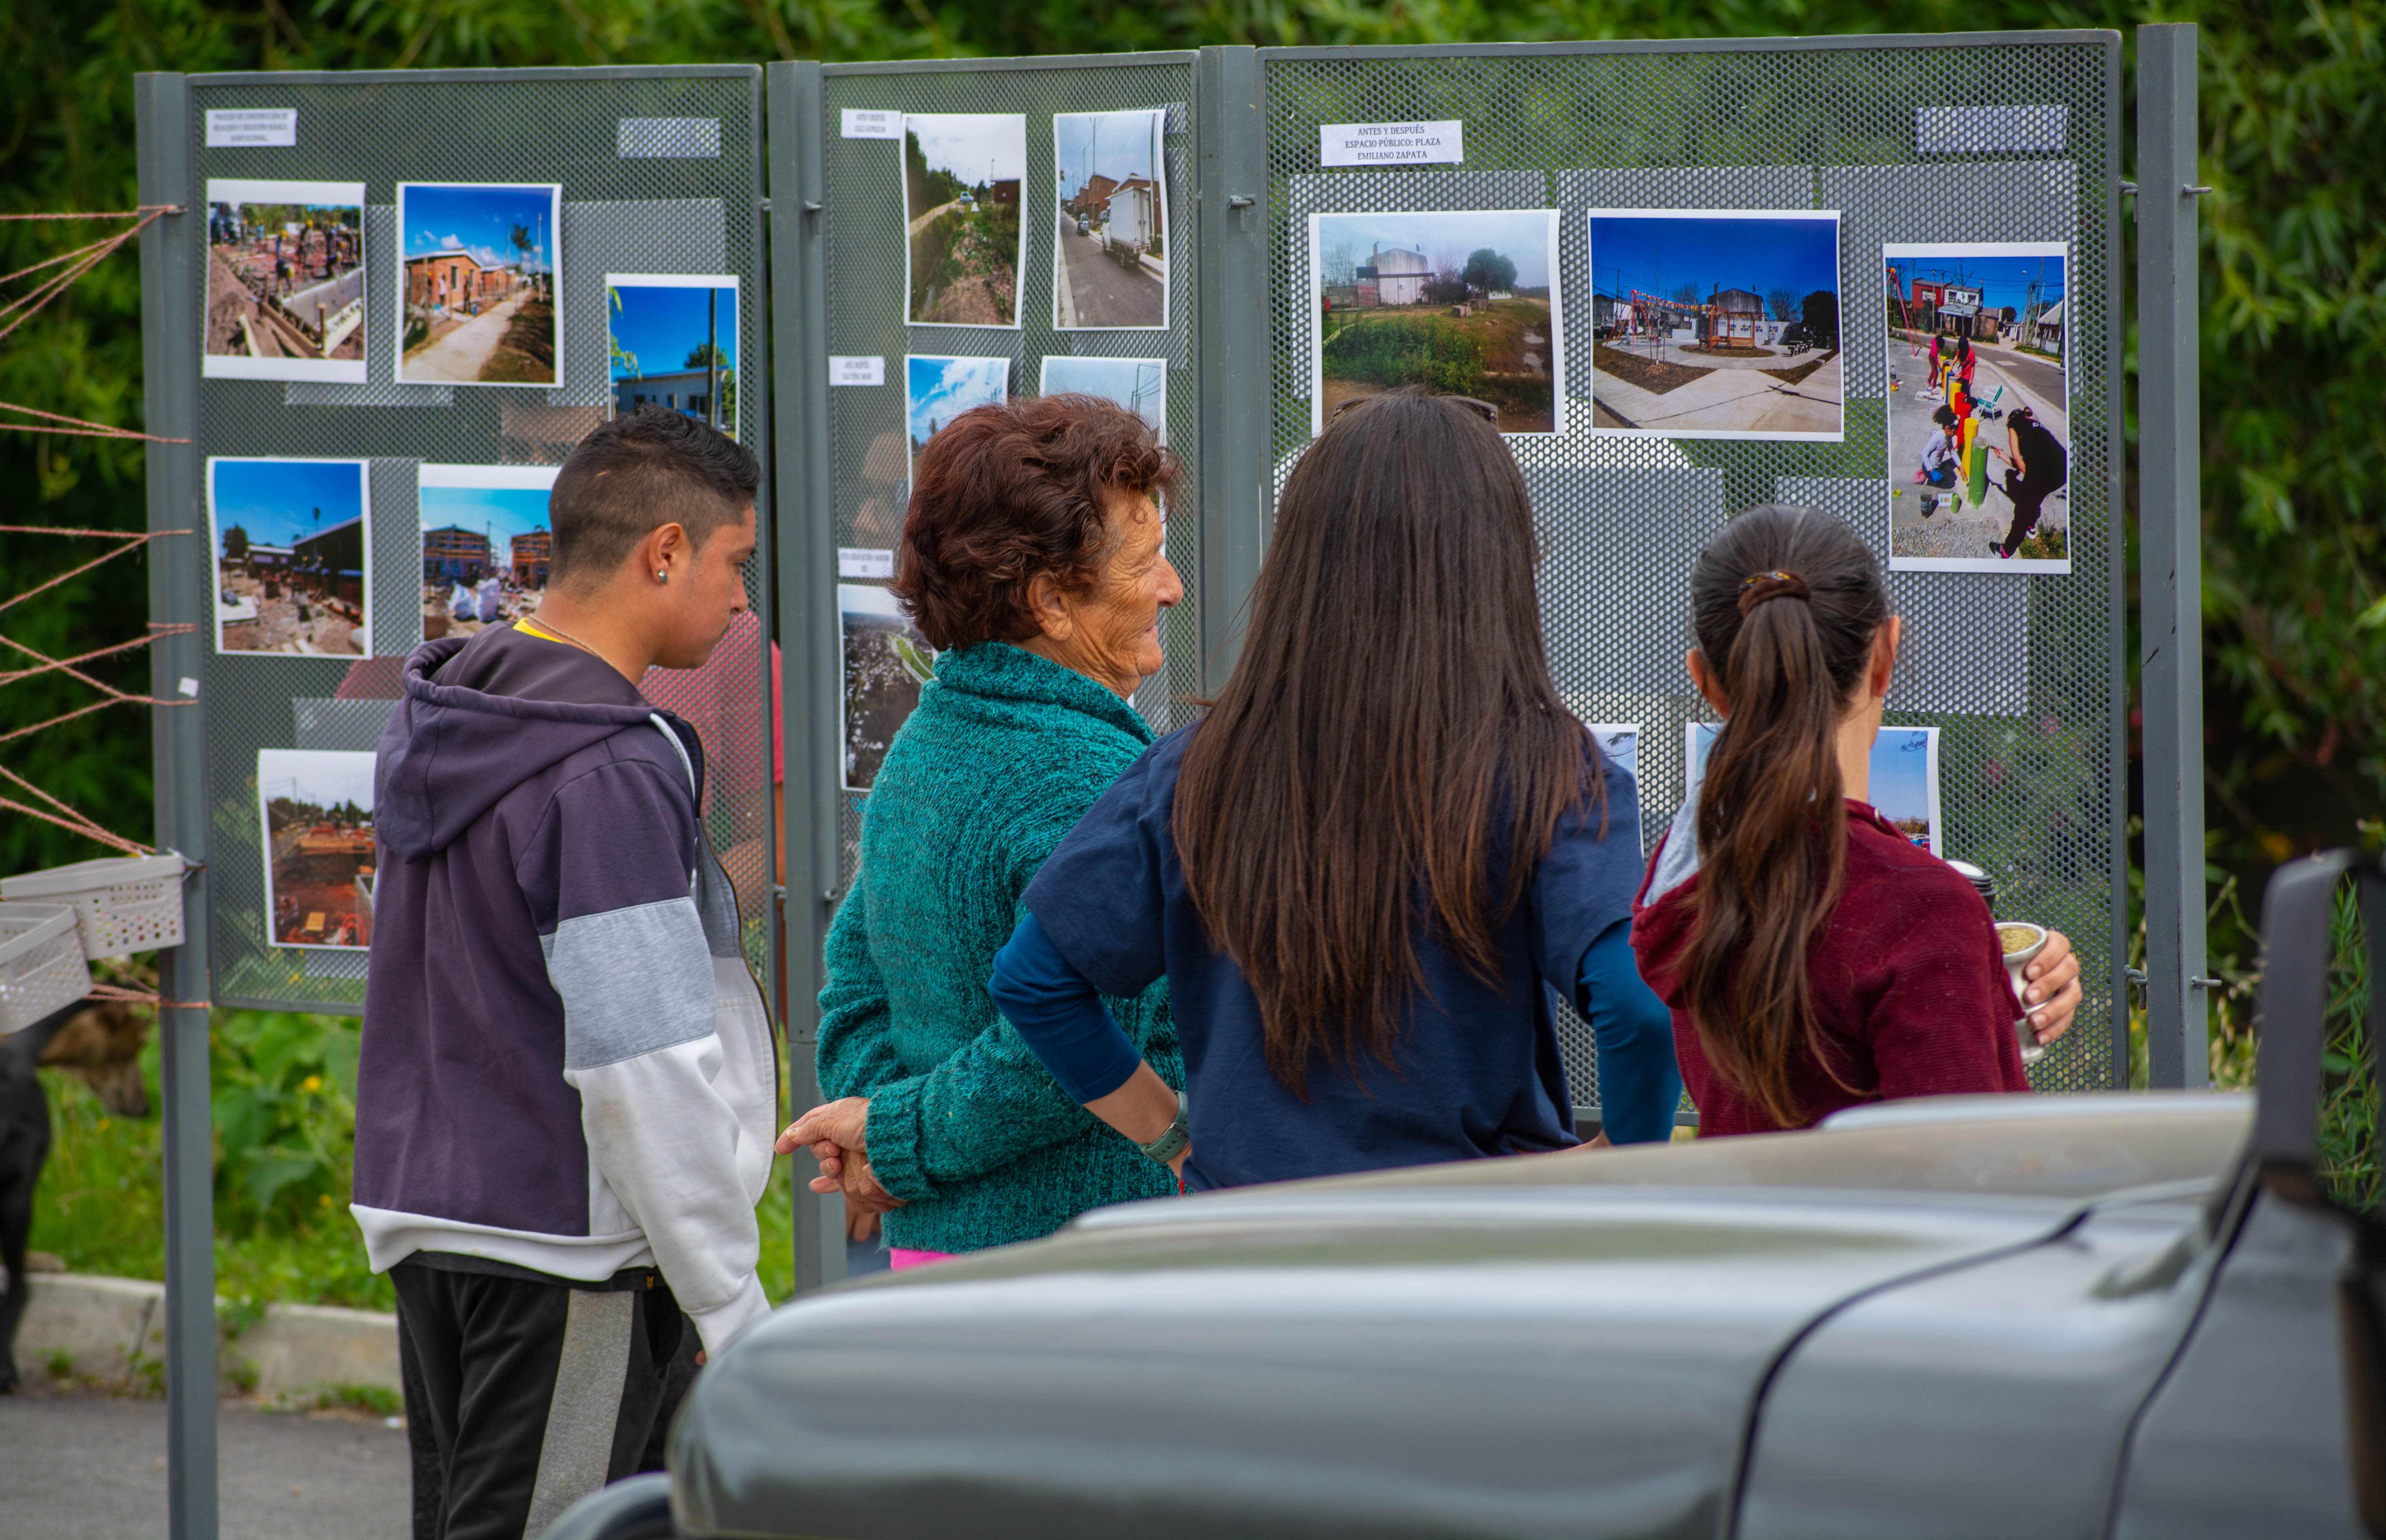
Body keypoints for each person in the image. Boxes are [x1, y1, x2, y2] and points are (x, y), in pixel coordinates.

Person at [980, 391, 1681, 1190]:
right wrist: (1617, 1158)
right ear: (1499, 561)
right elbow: (1641, 1006)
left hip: (1254, 1257)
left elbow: (1035, 980)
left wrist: (1174, 1134)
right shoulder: (1551, 771)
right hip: (1472, 1259)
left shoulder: (1192, 772)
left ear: (1302, 559)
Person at [354, 407, 777, 1540]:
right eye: (737, 563)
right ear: (665, 554)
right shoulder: (605, 769)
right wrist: (731, 1301)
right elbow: (643, 1063)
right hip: (566, 1246)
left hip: (437, 1216)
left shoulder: (448, 716)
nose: (745, 603)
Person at [773, 393, 1189, 1267]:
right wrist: (896, 1142)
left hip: (939, 1255)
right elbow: (1073, 1052)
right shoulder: (1085, 776)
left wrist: (878, 1137)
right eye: (1147, 561)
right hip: (1080, 1273)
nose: (1171, 587)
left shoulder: (927, 739)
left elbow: (854, 991)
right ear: (1051, 601)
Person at [1628, 505, 2084, 1136]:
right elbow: (1971, 1182)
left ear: (1706, 681)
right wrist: (1957, 959)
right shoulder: (1917, 910)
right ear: (1886, 654)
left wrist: (1978, 983)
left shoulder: (1695, 878)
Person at [1992, 406, 2068, 559]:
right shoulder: (2034, 424)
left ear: (2010, 420)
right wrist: (2002, 456)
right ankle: (2031, 527)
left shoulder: (2013, 425)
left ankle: (2006, 551)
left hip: (2043, 471)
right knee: (2036, 498)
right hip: (2063, 470)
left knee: (2021, 512)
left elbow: (2020, 462)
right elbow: (2026, 462)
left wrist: (2033, 479)